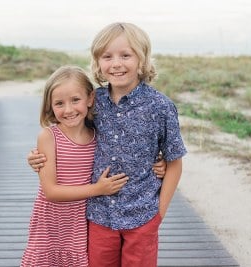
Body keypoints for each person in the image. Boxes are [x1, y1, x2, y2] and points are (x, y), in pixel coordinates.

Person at [28, 22, 187, 267]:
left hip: (142, 215)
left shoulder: (161, 107)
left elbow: (175, 162)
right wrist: (38, 158)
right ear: (98, 62)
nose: (116, 63)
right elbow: (71, 133)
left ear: (142, 59)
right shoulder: (95, 101)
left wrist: (159, 214)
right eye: (107, 56)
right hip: (99, 216)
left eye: (126, 55)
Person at [20, 65, 129, 267]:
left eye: (75, 100)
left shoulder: (98, 136)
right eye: (59, 103)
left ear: (90, 99)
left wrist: (159, 164)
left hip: (79, 221)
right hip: (50, 221)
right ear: (50, 106)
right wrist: (98, 189)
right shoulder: (49, 136)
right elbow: (51, 192)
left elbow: (126, 155)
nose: (68, 110)